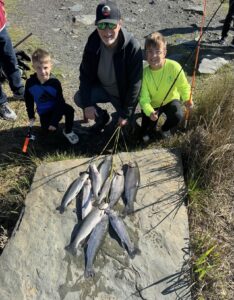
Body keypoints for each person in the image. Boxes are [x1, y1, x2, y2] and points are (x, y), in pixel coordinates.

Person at [74, 0, 143, 133]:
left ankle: (119, 115)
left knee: (128, 132)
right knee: (80, 98)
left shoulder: (132, 46)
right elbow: (85, 75)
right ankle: (102, 117)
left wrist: (126, 113)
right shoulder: (93, 41)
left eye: (111, 25)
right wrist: (87, 105)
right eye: (102, 25)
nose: (107, 31)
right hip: (102, 88)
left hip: (122, 94)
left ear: (120, 23)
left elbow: (136, 83)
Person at [139, 32, 193, 141]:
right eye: (149, 52)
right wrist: (150, 112)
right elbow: (143, 98)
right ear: (145, 53)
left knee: (177, 115)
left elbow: (183, 86)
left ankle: (165, 129)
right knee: (145, 136)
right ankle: (148, 128)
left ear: (164, 53)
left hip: (170, 100)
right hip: (152, 105)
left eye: (158, 52)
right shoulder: (143, 74)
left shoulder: (174, 67)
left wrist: (188, 98)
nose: (153, 56)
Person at [24, 48, 79, 144]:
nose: (42, 71)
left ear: (50, 66)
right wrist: (31, 115)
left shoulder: (55, 83)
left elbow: (60, 102)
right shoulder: (30, 83)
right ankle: (48, 128)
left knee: (69, 110)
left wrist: (54, 121)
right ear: (33, 67)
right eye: (38, 68)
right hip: (43, 111)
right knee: (47, 132)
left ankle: (68, 131)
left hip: (56, 107)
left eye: (45, 68)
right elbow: (28, 99)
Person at [0, 0, 24, 121]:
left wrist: (1, 5)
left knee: (10, 59)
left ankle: (19, 90)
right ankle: (1, 103)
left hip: (0, 28)